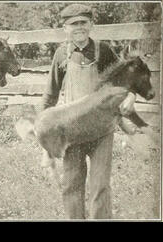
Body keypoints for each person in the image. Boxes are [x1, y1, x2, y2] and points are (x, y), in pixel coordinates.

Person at [40, 4, 137, 219]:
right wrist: (44, 142)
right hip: (71, 132)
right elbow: (50, 96)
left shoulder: (104, 51)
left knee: (100, 185)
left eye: (83, 22)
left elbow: (126, 81)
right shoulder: (61, 56)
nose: (79, 28)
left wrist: (130, 97)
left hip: (101, 130)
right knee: (71, 185)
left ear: (91, 25)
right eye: (74, 24)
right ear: (65, 28)